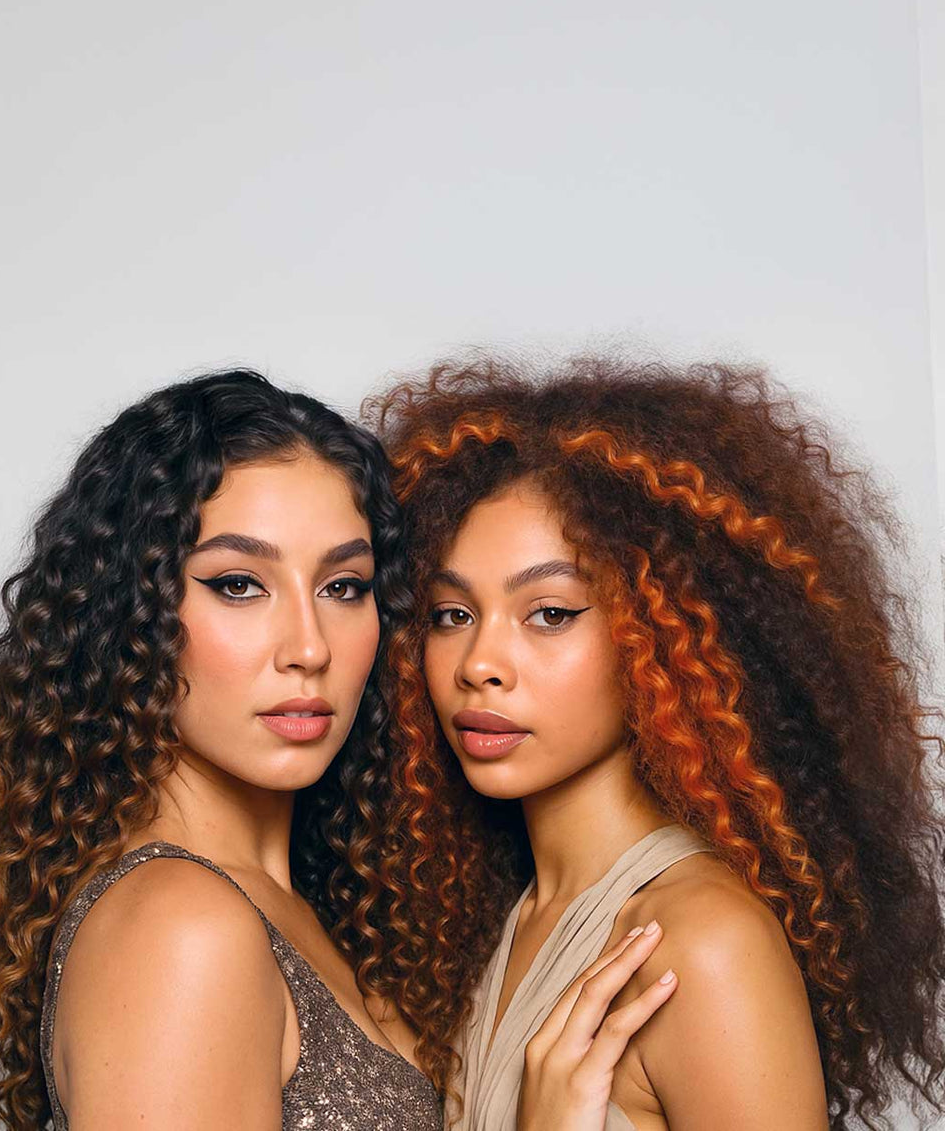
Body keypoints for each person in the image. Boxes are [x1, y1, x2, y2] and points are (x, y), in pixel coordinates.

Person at [368, 355, 945, 1131]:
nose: (479, 664)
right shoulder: (479, 931)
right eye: (451, 614)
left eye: (550, 612)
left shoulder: (704, 944)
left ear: (655, 634)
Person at [0, 369, 445, 1130]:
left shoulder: (309, 904)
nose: (309, 647)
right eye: (240, 584)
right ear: (133, 614)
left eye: (343, 586)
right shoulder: (180, 927)